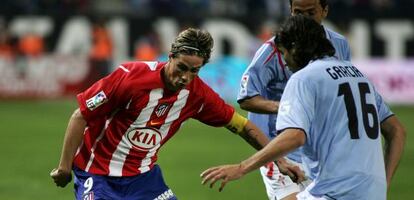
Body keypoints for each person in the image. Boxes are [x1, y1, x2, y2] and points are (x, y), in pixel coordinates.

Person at [50, 28, 275, 200]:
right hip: (97, 175)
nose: (186, 77)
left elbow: (243, 126)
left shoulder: (199, 96)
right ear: (170, 57)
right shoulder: (130, 78)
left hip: (144, 179)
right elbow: (80, 115)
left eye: (194, 71)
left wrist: (280, 160)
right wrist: (64, 167)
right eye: (181, 67)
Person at [201, 15, 406, 200]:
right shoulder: (358, 76)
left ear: (295, 48)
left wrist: (242, 168)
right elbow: (397, 130)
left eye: (284, 53)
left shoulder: (305, 78)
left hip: (334, 192)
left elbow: (295, 136)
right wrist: (383, 184)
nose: (285, 61)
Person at [237, 0, 351, 199]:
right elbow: (246, 98)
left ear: (325, 11)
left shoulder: (339, 44)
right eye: (298, 12)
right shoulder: (272, 50)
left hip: (322, 152)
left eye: (310, 12)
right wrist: (287, 108)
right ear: (290, 10)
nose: (303, 18)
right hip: (280, 149)